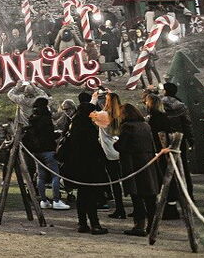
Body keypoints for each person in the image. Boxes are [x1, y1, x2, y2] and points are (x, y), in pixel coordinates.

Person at [60, 97, 109, 234]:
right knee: (90, 196)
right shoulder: (86, 128)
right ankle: (95, 224)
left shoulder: (74, 125)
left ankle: (82, 223)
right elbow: (94, 148)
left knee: (82, 196)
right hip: (89, 167)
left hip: (77, 167)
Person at [116, 103, 162, 236]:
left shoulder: (127, 127)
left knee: (137, 197)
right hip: (148, 163)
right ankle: (153, 226)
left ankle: (139, 226)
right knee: (150, 197)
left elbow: (122, 146)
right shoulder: (146, 126)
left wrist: (115, 143)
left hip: (133, 164)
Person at [26, 97, 69, 210]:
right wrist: (57, 134)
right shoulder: (46, 119)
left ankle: (44, 200)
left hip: (36, 151)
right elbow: (49, 135)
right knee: (55, 175)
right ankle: (56, 200)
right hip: (48, 150)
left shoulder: (32, 119)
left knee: (41, 176)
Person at [143, 92, 179, 219]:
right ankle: (170, 206)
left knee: (163, 178)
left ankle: (169, 208)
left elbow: (159, 136)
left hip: (160, 152)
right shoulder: (162, 116)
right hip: (164, 151)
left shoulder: (155, 118)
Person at [92, 91, 126, 219]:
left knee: (114, 181)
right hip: (119, 148)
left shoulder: (103, 115)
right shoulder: (120, 114)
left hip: (108, 151)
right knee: (122, 179)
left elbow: (89, 114)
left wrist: (94, 99)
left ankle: (119, 207)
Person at [162, 82, 194, 195]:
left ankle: (170, 194)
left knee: (166, 167)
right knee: (183, 166)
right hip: (179, 138)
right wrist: (191, 140)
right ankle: (188, 192)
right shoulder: (181, 105)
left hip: (164, 139)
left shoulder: (160, 104)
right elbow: (187, 124)